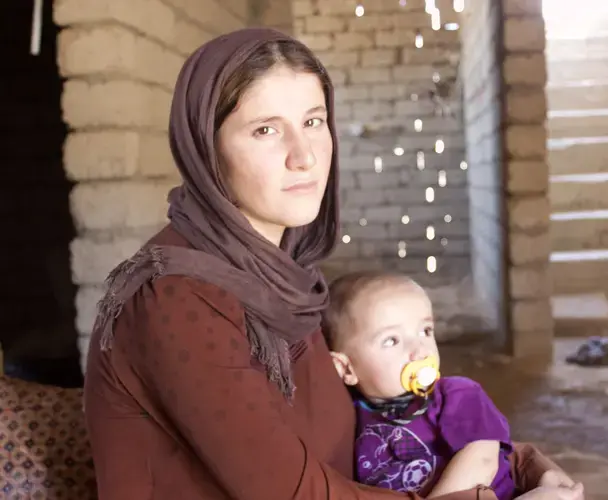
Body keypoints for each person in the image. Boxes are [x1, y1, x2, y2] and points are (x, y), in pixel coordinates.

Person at [83, 27, 575, 500]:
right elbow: (292, 493)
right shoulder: (176, 299)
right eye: (265, 129)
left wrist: (520, 466)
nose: (305, 157)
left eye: (313, 122)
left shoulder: (285, 280)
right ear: (206, 150)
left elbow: (379, 427)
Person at [323, 271, 584, 500]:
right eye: (392, 340)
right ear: (346, 369)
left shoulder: (455, 394)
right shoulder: (354, 413)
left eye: (425, 331)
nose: (420, 351)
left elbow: (482, 458)